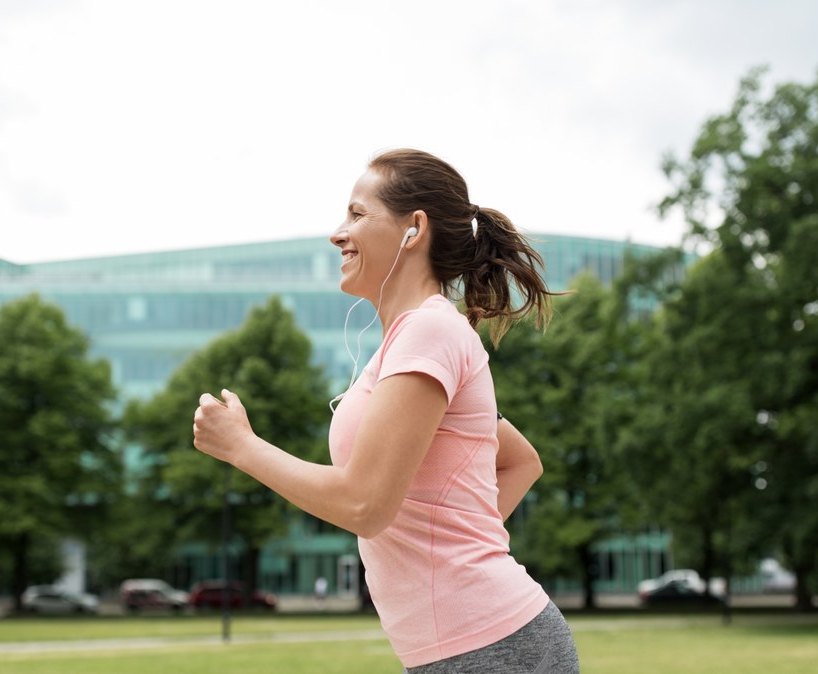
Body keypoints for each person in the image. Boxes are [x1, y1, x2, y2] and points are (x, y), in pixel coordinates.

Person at [193, 148, 579, 673]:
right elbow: (518, 460)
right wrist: (448, 548)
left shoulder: (429, 331)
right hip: (469, 647)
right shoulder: (415, 341)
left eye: (357, 214)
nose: (338, 233)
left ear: (412, 229)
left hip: (491, 645)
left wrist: (242, 446)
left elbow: (364, 506)